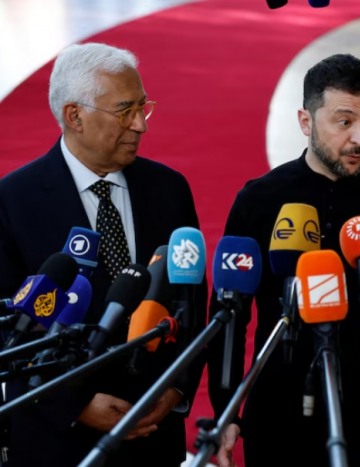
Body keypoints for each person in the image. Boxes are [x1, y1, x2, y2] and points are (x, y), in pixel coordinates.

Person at [207, 53, 360, 466]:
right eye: (344, 121)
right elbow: (229, 315)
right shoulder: (260, 199)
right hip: (279, 414)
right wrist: (226, 409)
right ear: (306, 122)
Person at [0, 42, 207, 466]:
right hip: (58, 441)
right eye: (125, 111)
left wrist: (175, 388)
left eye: (143, 108)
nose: (140, 125)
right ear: (74, 116)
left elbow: (192, 300)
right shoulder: (12, 201)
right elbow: (9, 329)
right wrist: (73, 404)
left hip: (153, 435)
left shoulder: (169, 189)